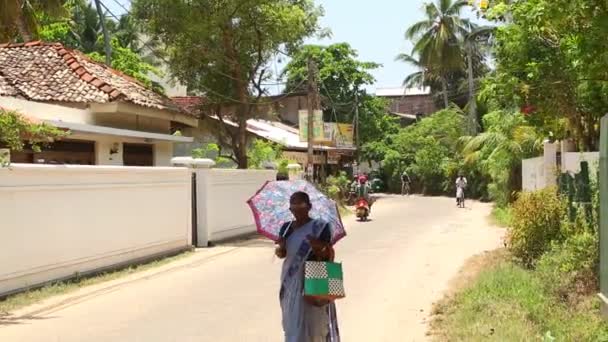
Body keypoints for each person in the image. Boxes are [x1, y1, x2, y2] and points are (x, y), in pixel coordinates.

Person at [275, 192, 341, 342]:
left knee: (314, 325)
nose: (296, 209)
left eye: (300, 205)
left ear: (309, 207)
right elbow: (283, 254)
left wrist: (319, 247)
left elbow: (327, 254)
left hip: (313, 282)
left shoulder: (320, 227)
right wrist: (281, 249)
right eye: (293, 206)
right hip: (290, 282)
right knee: (292, 324)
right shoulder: (286, 228)